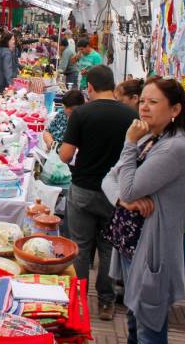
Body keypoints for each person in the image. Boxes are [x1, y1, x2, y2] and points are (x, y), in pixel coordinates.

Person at [101, 77, 185, 343]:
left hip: (152, 251)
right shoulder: (151, 139)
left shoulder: (174, 147)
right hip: (133, 246)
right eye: (142, 100)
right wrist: (123, 201)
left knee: (148, 330)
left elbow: (129, 187)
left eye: (153, 102)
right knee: (134, 321)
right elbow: (109, 179)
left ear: (175, 110)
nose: (144, 107)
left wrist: (129, 143)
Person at [58, 65, 137, 321]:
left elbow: (66, 155)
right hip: (116, 193)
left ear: (89, 87)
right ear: (113, 86)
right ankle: (106, 302)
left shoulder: (82, 113)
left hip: (84, 188)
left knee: (80, 247)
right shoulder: (130, 115)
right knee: (108, 248)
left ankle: (77, 300)